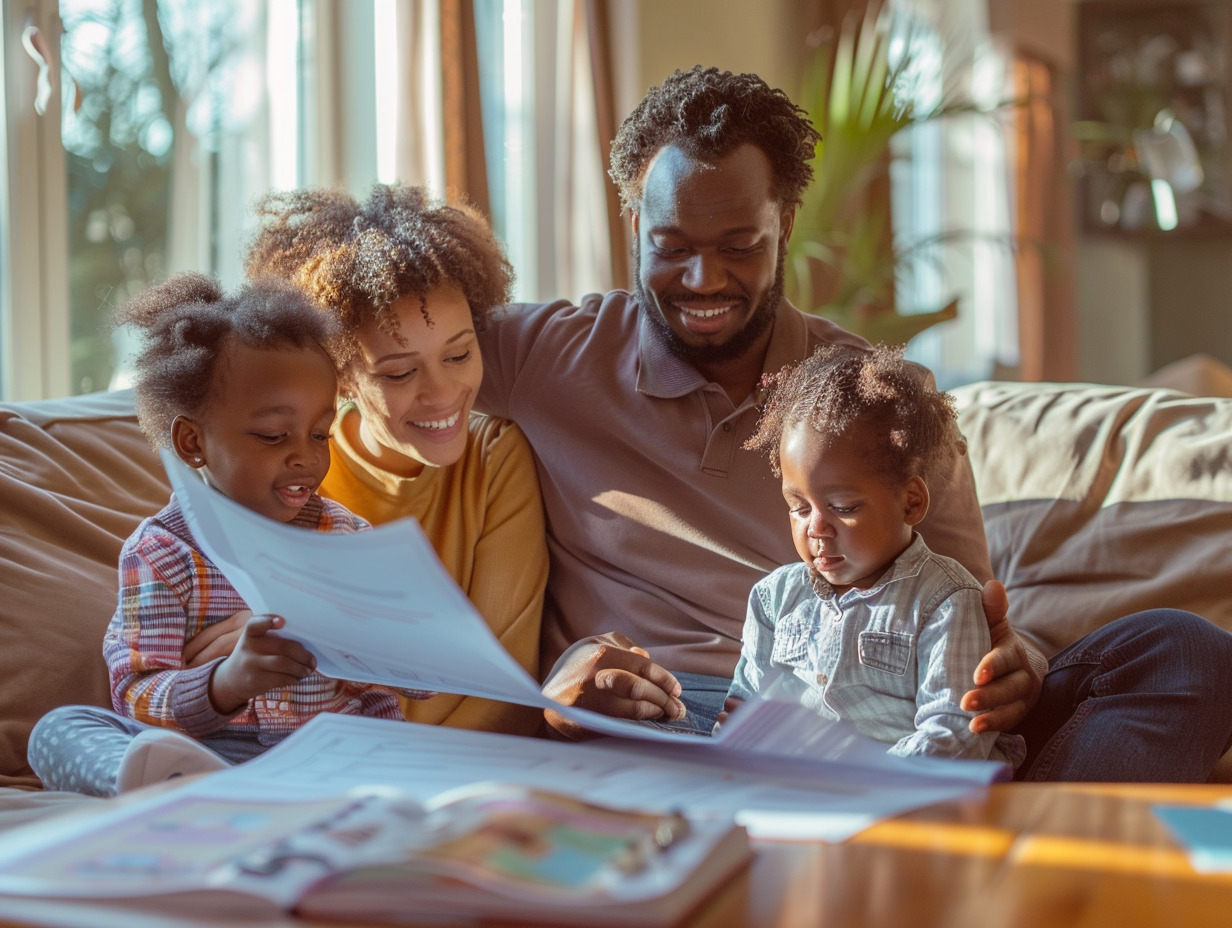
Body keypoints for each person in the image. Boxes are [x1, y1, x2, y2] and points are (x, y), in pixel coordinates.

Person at [475, 65, 1232, 781]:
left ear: (786, 222)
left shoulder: (882, 400)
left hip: (903, 718)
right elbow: (381, 346)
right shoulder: (546, 355)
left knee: (1183, 654)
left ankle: (1006, 852)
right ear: (634, 224)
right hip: (696, 714)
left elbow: (969, 605)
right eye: (670, 249)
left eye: (739, 247)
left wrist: (1018, 666)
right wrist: (560, 691)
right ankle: (993, 856)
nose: (703, 280)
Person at [27, 274, 433, 797]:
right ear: (192, 441)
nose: (306, 457)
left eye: (319, 433)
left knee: (409, 748)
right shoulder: (160, 552)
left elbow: (420, 680)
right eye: (272, 435)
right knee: (60, 729)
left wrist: (383, 635)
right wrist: (225, 683)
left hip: (337, 751)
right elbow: (135, 692)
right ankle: (174, 789)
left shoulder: (349, 536)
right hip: (215, 754)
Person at [229, 184, 548, 737]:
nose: (443, 393)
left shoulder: (496, 458)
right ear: (340, 374)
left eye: (459, 353)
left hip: (429, 761)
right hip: (309, 749)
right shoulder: (292, 475)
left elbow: (506, 691)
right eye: (399, 372)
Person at [722, 343, 1025, 767]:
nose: (816, 528)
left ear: (911, 503)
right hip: (792, 789)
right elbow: (745, 705)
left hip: (907, 794)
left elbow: (955, 733)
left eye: (843, 508)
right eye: (799, 507)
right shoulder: (774, 599)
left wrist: (858, 776)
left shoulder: (945, 602)